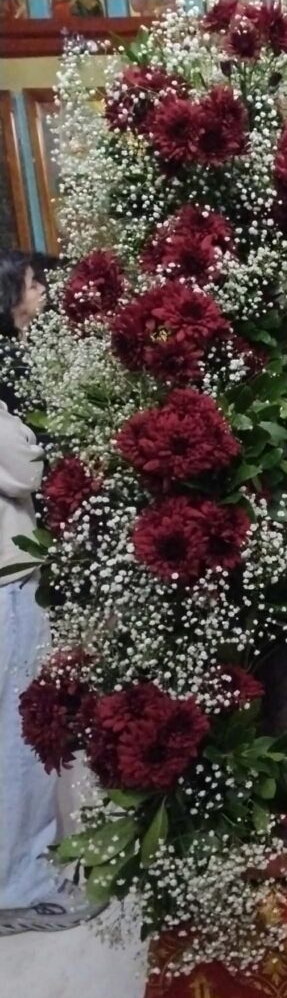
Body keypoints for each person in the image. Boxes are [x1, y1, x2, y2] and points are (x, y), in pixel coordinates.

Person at [0, 250, 99, 935]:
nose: (43, 293)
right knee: (18, 731)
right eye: (33, 284)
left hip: (13, 570)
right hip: (6, 577)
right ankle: (20, 885)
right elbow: (25, 468)